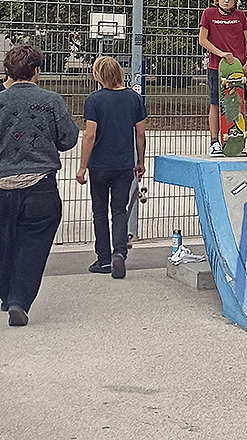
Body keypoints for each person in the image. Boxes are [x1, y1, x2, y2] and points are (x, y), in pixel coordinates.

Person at [0, 45, 79, 326]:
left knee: (4, 241)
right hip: (40, 185)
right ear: (36, 71)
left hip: (2, 184)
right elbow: (68, 139)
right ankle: (19, 301)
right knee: (33, 244)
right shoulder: (52, 100)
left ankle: (5, 291)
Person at [76, 56, 147, 279]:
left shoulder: (94, 100)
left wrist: (82, 167)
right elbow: (141, 134)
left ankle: (103, 258)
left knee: (99, 211)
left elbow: (89, 135)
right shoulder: (134, 99)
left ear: (98, 75)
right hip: (124, 164)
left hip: (99, 166)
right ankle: (120, 252)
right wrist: (141, 161)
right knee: (119, 210)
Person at [197, 0, 247, 157]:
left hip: (237, 67)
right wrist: (221, 53)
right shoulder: (209, 13)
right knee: (215, 103)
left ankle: (234, 141)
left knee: (236, 104)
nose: (226, 1)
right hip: (217, 67)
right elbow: (203, 40)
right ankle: (215, 141)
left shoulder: (240, 16)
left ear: (236, 0)